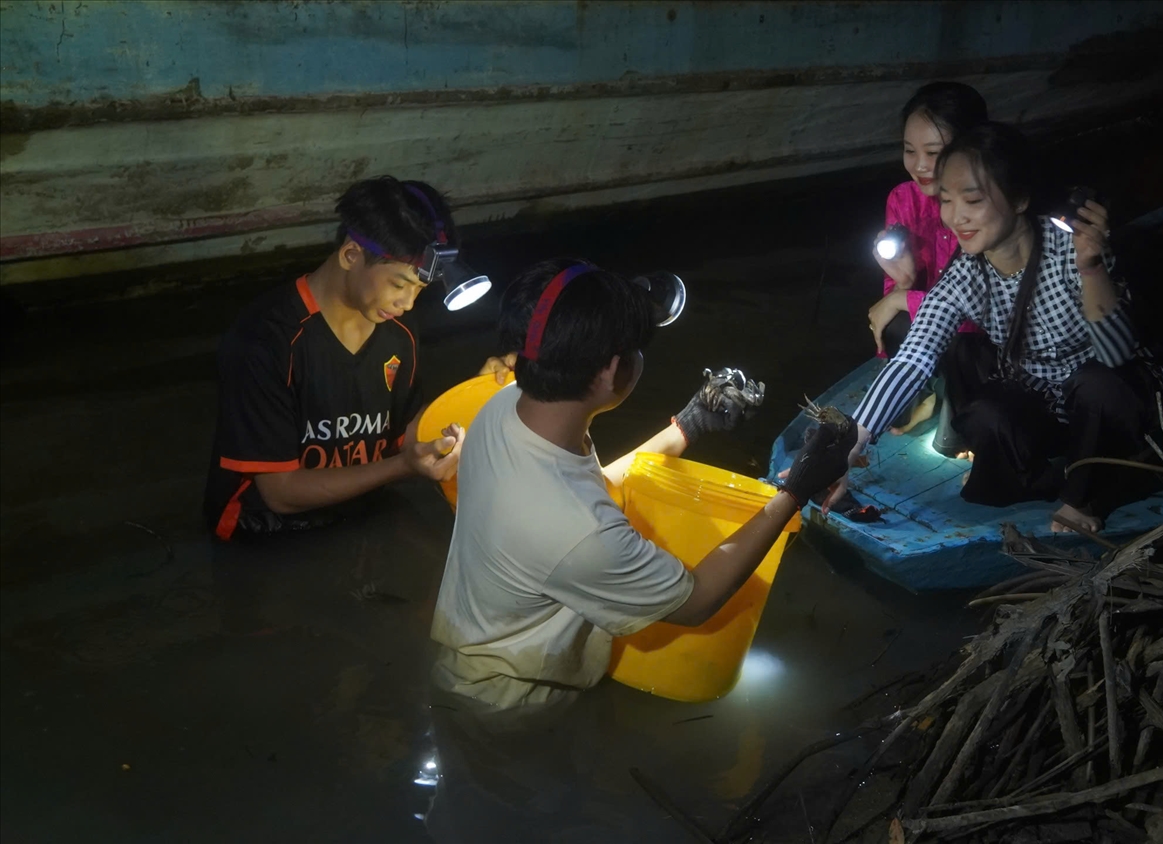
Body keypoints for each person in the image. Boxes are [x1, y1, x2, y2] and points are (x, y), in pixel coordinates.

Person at [429, 259, 853, 711]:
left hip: (467, 659)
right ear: (612, 371)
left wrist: (687, 426)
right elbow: (696, 601)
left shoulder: (507, 410)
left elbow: (591, 487)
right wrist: (797, 490)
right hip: (512, 701)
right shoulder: (578, 531)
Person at [827, 123, 1163, 534]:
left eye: (972, 199)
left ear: (1020, 198)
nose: (956, 217)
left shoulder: (1070, 247)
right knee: (987, 416)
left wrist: (1092, 267)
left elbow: (1116, 356)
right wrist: (849, 443)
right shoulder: (966, 272)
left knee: (1098, 382)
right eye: (947, 200)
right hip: (1054, 404)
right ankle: (1063, 476)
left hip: (1124, 402)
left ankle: (1086, 497)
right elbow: (916, 355)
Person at [203, 176, 488, 540]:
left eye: (421, 288)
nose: (408, 303)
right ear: (351, 255)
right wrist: (402, 467)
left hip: (361, 510)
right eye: (399, 284)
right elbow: (281, 492)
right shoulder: (265, 340)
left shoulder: (395, 329)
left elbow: (407, 432)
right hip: (264, 533)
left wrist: (479, 396)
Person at [867, 81, 988, 437]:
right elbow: (893, 295)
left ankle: (961, 408)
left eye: (934, 153)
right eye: (909, 150)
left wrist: (907, 297)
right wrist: (902, 282)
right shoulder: (902, 199)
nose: (919, 165)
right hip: (935, 326)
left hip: (984, 339)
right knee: (892, 320)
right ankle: (931, 393)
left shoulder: (987, 206)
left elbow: (985, 309)